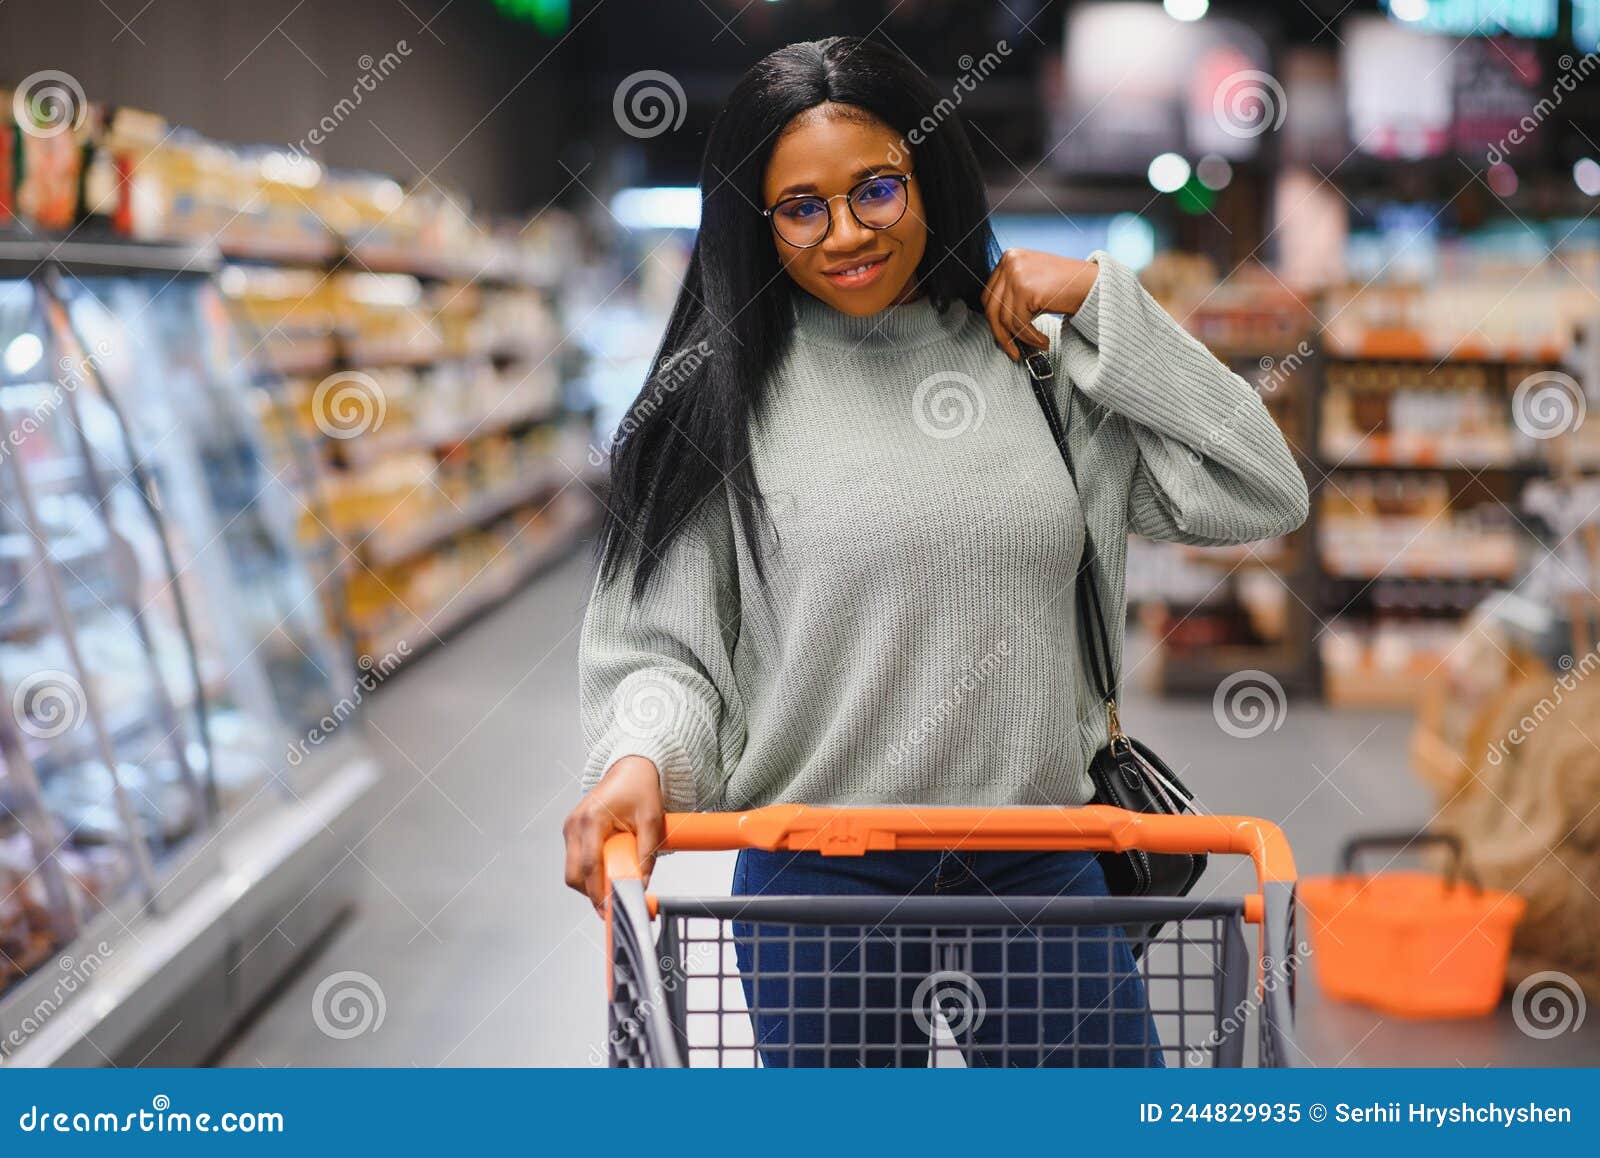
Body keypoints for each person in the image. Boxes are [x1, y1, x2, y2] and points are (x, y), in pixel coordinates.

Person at [563, 36, 1309, 1067]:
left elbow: (1258, 488)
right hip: (817, 880)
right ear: (755, 218)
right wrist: (640, 758)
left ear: (930, 176)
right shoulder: (715, 403)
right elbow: (664, 651)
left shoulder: (1033, 365)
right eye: (800, 207)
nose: (844, 236)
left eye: (876, 190)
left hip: (1043, 862)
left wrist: (1106, 304)